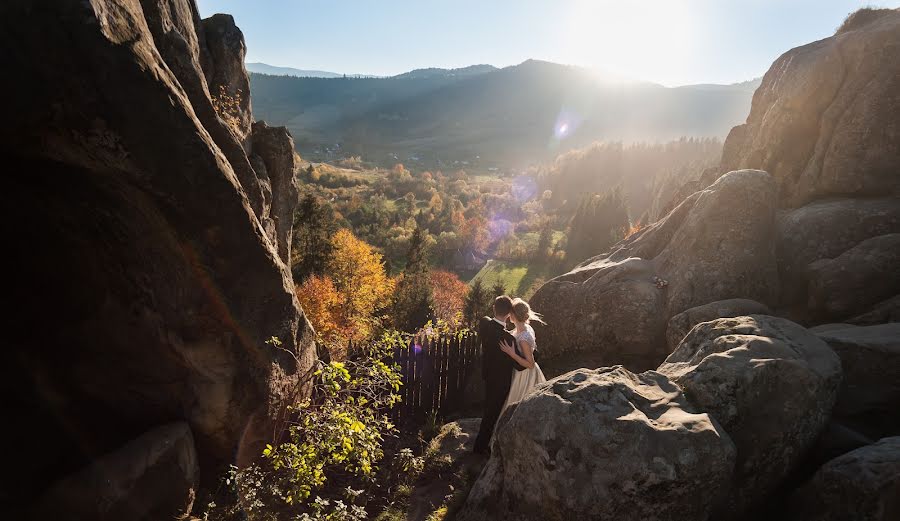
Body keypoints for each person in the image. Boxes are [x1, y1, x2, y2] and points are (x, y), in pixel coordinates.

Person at [472, 295, 518, 454]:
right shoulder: (508, 338)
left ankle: (482, 443)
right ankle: (480, 447)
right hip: (502, 381)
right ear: (509, 314)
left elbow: (485, 319)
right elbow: (519, 364)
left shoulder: (484, 324)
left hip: (488, 375)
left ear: (493, 308)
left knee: (489, 410)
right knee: (493, 413)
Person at [498, 298, 547, 417]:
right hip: (521, 371)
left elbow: (530, 364)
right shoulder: (523, 327)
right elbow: (514, 334)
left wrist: (511, 353)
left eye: (511, 312)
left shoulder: (524, 338)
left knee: (517, 404)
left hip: (525, 375)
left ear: (514, 315)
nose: (509, 314)